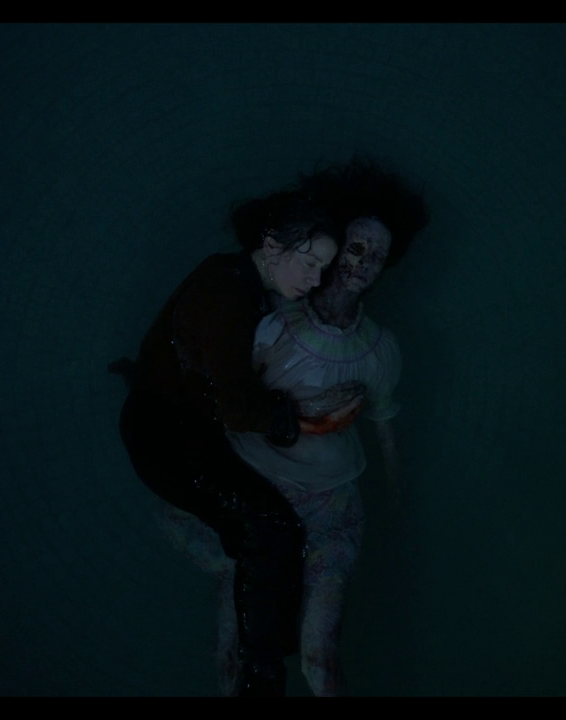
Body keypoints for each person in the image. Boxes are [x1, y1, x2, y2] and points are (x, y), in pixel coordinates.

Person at [156, 157, 430, 696]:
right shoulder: (275, 320)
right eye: (355, 249)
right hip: (253, 493)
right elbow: (224, 391)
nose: (362, 265)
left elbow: (384, 420)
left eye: (376, 257)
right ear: (332, 249)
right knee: (233, 654)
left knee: (318, 658)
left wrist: (398, 495)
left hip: (329, 506)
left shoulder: (380, 349)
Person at [112, 189, 366, 696]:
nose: (316, 279)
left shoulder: (232, 276)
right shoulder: (228, 294)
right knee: (272, 529)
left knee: (263, 534)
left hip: (173, 423)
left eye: (323, 267)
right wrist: (307, 422)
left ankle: (261, 646)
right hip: (165, 441)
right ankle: (263, 679)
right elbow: (236, 406)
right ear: (271, 246)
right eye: (309, 263)